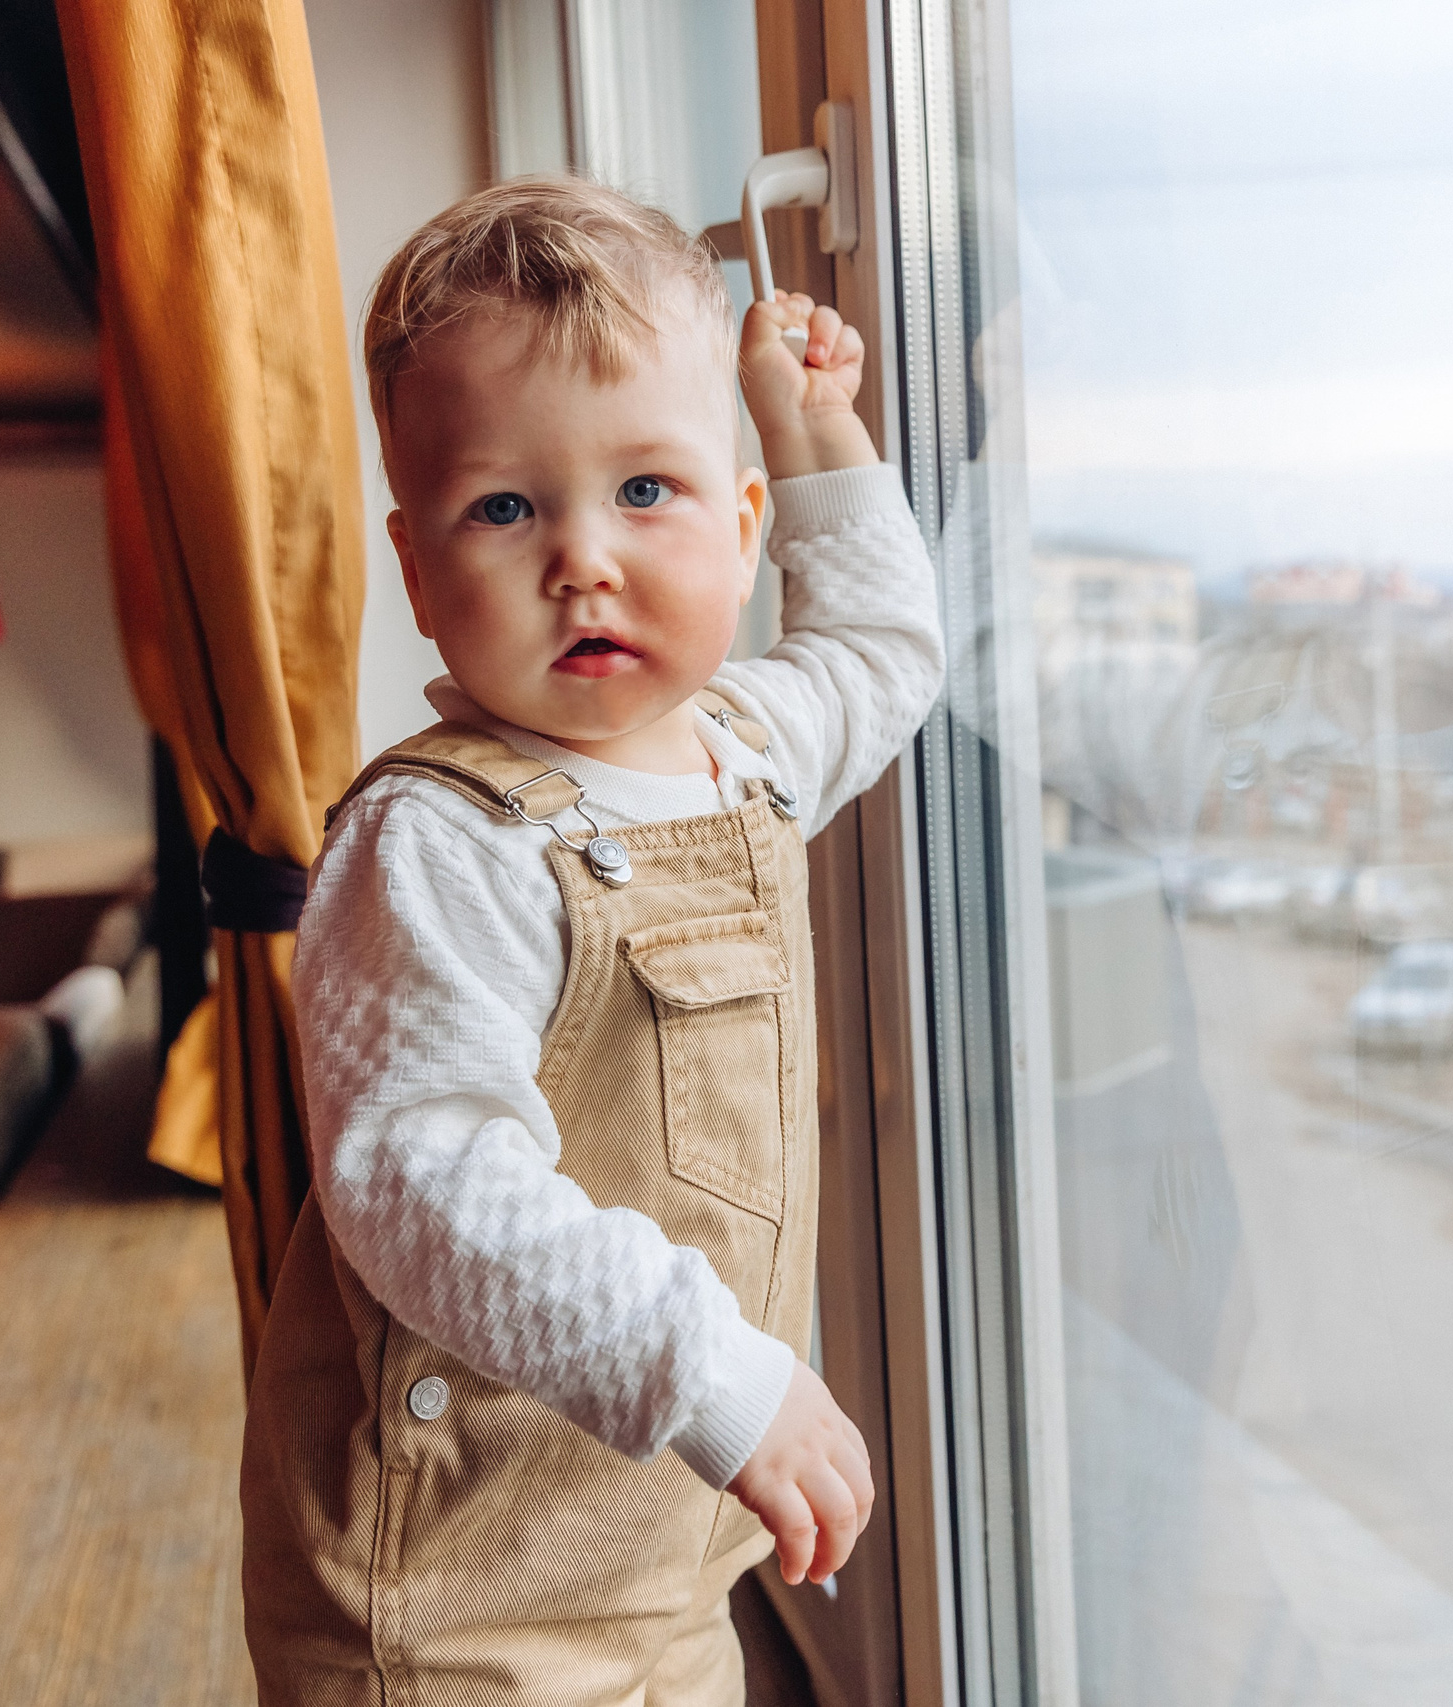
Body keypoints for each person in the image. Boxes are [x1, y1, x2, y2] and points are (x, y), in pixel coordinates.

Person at [240, 176, 944, 1706]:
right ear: (417, 571)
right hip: (459, 1602)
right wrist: (714, 1376)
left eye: (647, 492)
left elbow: (883, 656)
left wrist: (811, 428)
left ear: (741, 529)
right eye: (505, 507)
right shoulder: (439, 841)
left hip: (659, 1557)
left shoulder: (745, 747)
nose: (584, 559)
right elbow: (422, 1172)